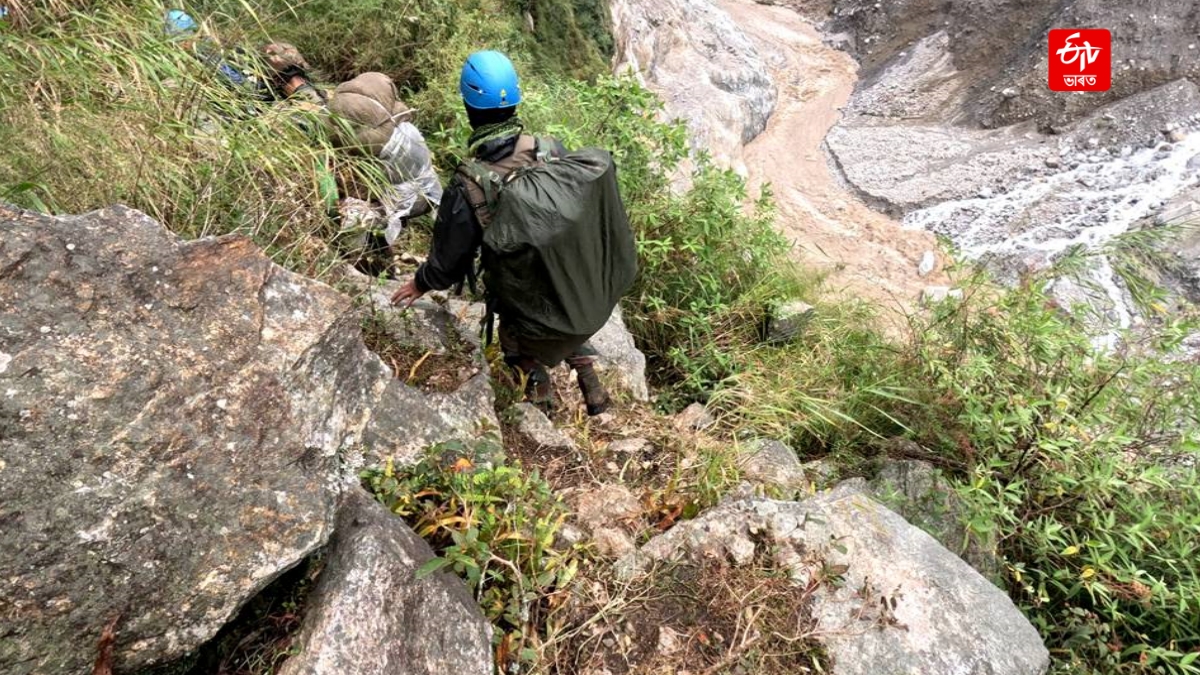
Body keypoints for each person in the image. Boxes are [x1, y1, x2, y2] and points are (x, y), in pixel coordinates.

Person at [391, 51, 637, 417]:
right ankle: (593, 389)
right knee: (554, 302)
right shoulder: (550, 150)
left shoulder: (470, 185)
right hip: (575, 290)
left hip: (533, 306)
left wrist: (420, 283)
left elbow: (449, 264)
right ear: (516, 100)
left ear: (468, 106)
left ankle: (541, 411)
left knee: (520, 341)